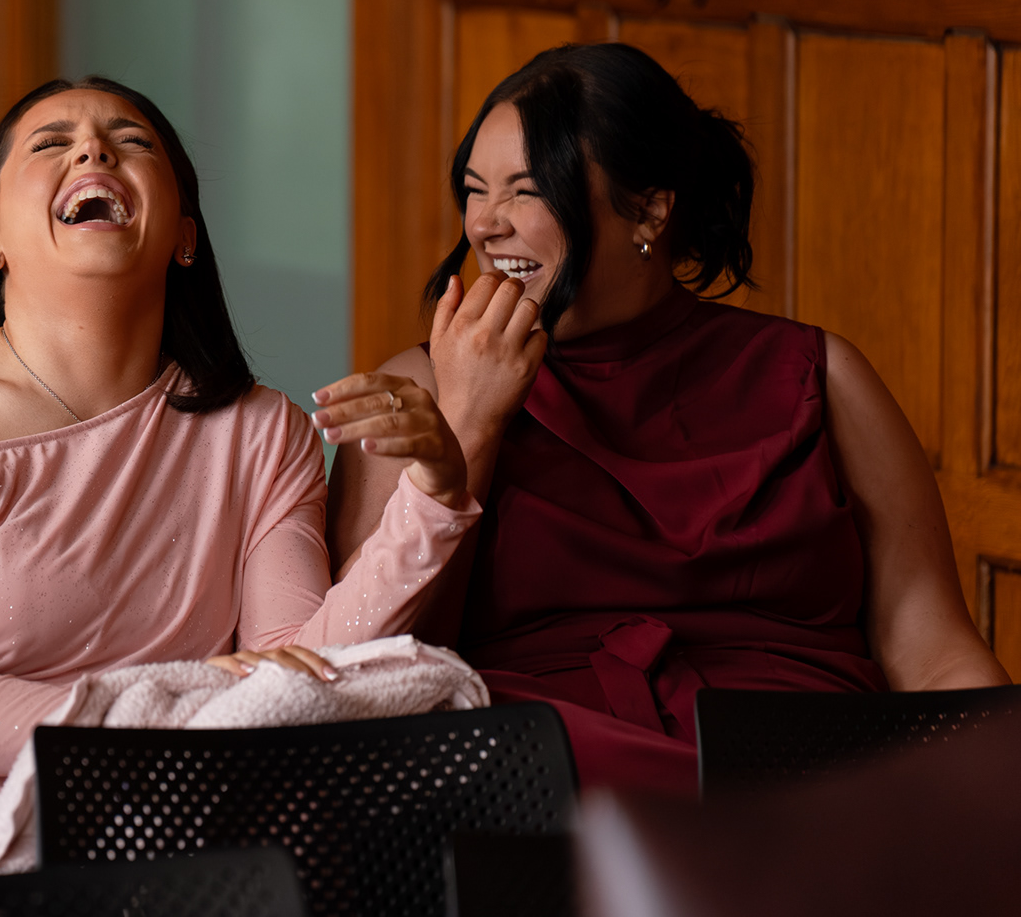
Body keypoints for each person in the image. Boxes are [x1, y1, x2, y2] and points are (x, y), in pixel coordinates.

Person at [315, 43, 1009, 795]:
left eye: (526, 190)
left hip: (816, 779)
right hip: (539, 784)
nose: (485, 225)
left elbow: (936, 652)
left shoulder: (822, 376)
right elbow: (375, 673)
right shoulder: (414, 390)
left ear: (648, 207)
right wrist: (471, 424)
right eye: (476, 190)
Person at [0, 76, 479, 876]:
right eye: (51, 142)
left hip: (186, 845)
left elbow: (299, 678)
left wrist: (435, 498)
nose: (93, 149)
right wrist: (174, 710)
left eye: (131, 141)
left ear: (185, 236)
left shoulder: (258, 429)